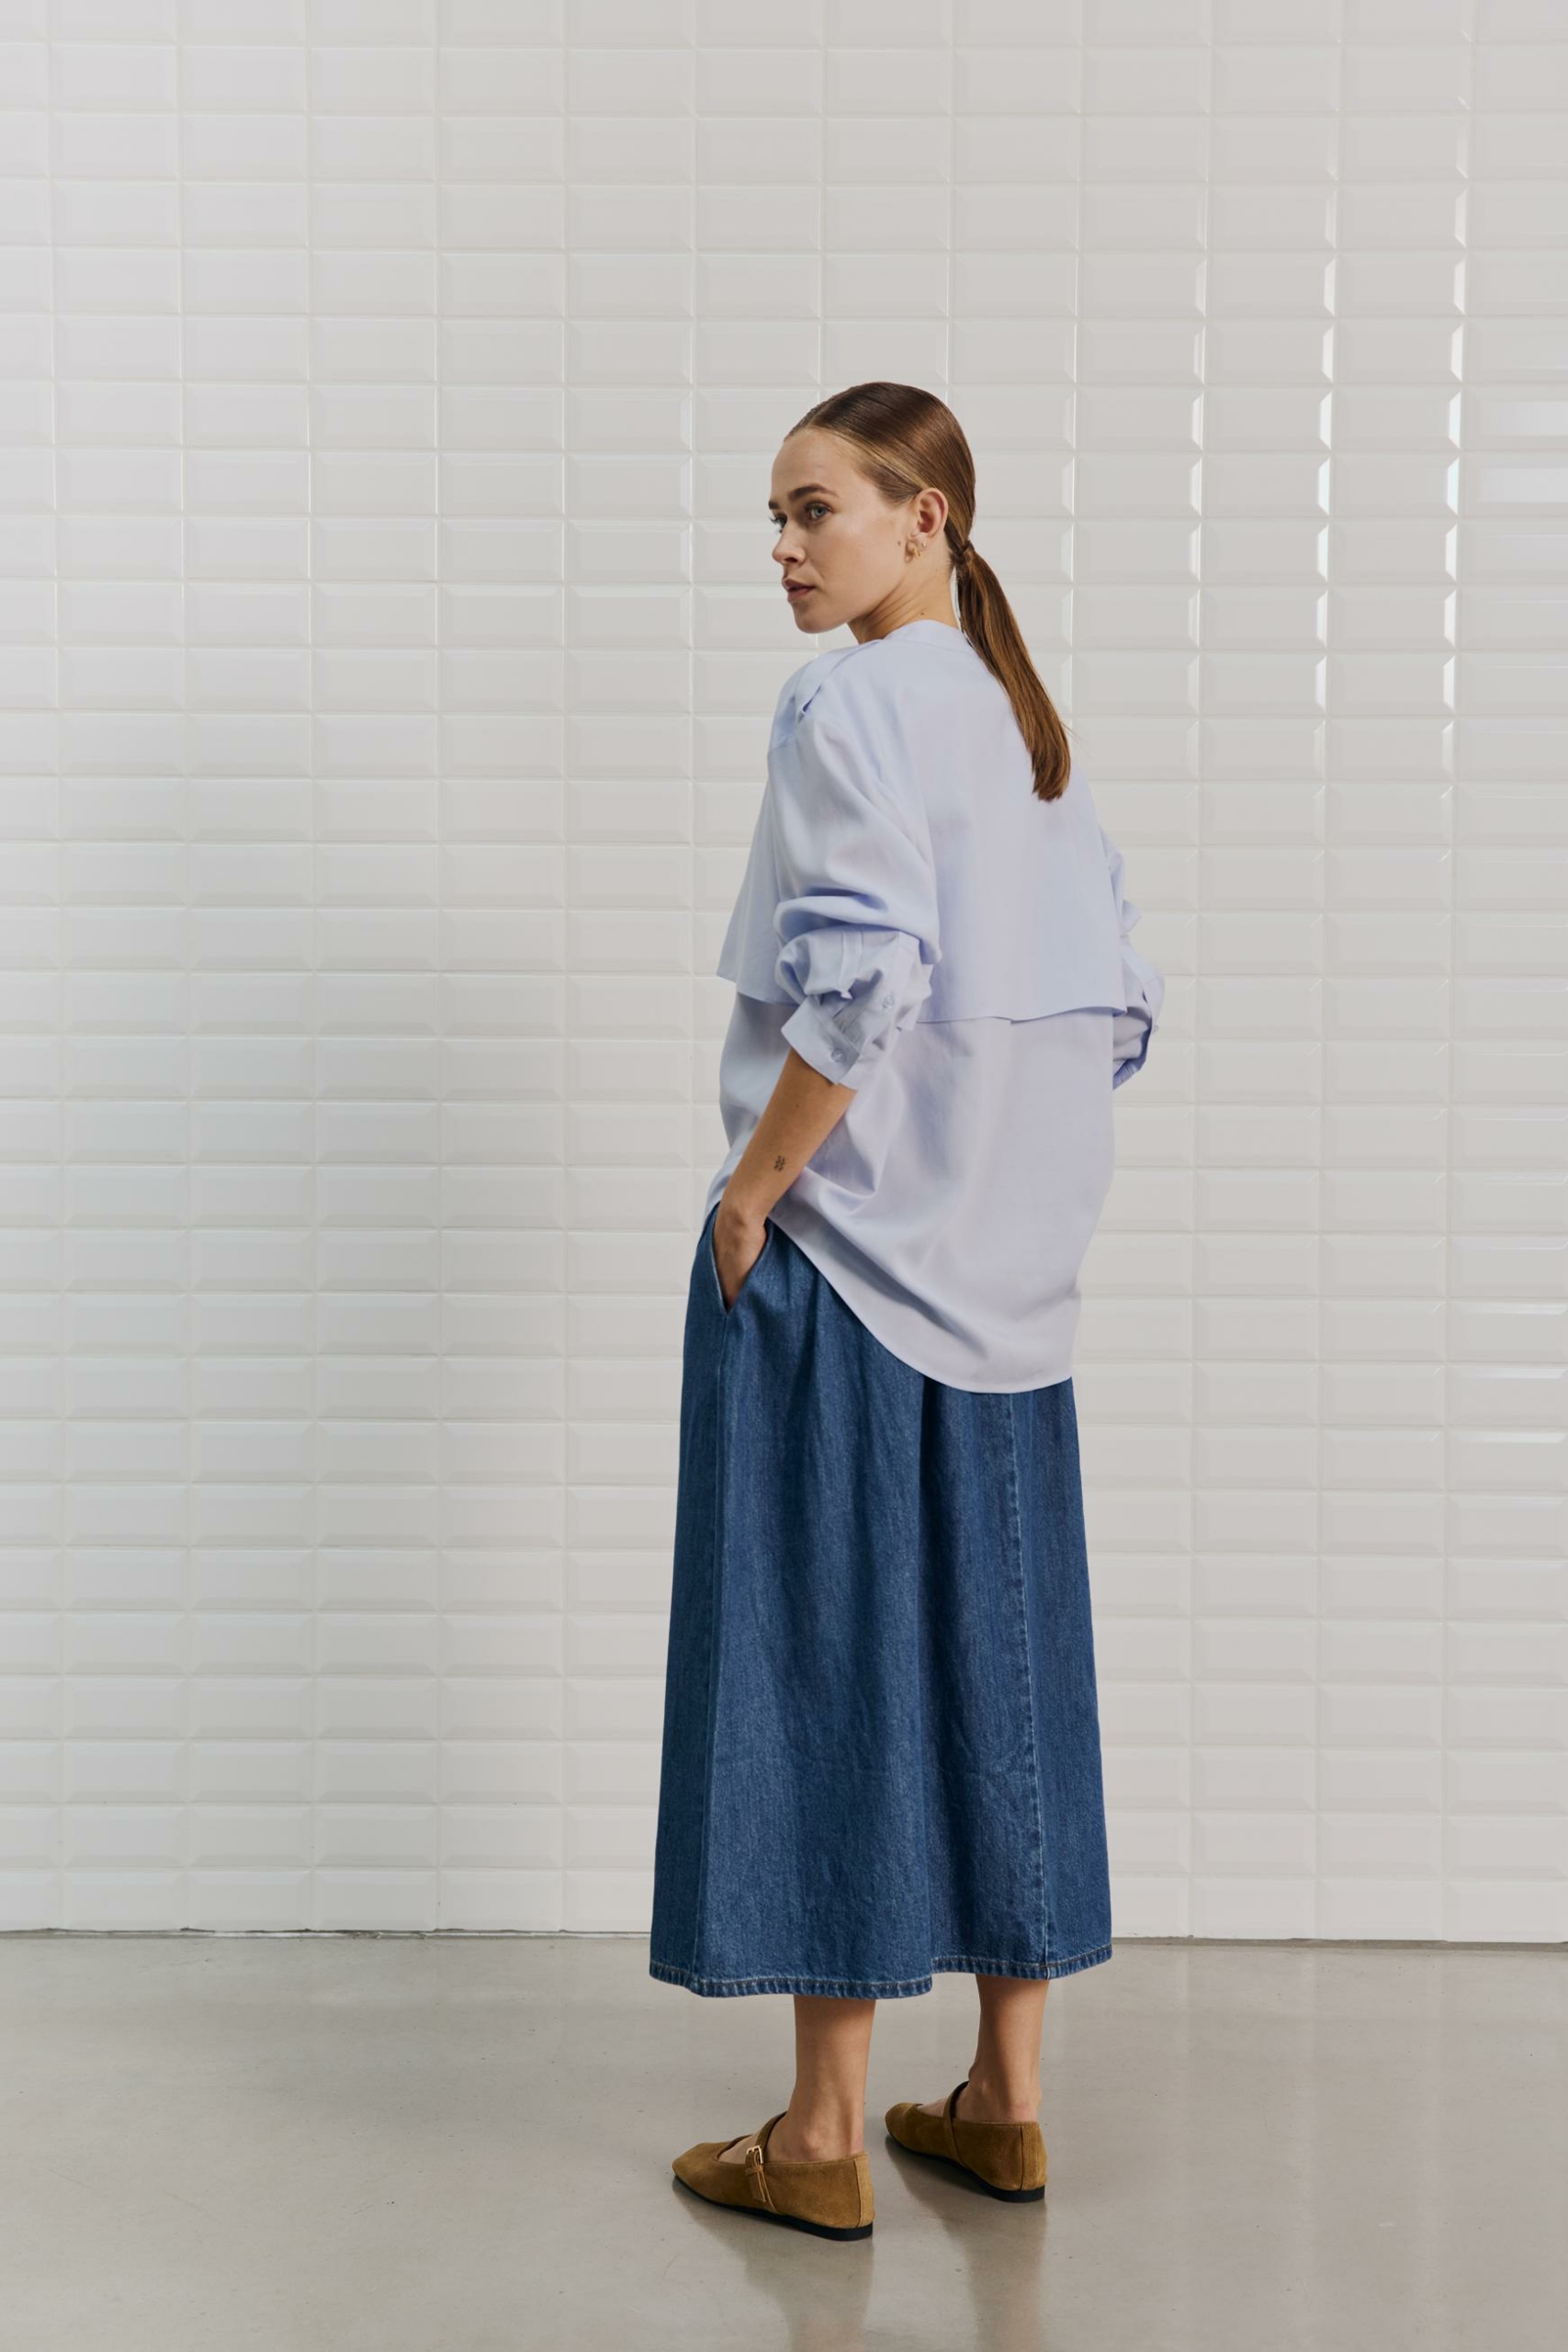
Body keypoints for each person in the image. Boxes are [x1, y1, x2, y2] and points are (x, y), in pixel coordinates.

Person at [650, 381, 1166, 2243]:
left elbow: (861, 981)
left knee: (826, 1663)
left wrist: (756, 1188)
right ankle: (1004, 2104)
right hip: (1012, 1284)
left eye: (817, 509)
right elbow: (1121, 1011)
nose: (786, 548)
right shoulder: (1030, 733)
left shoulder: (848, 703)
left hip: (851, 1266)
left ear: (924, 517)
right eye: (775, 518)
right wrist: (1006, 1173)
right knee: (1002, 1661)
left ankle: (818, 2134)